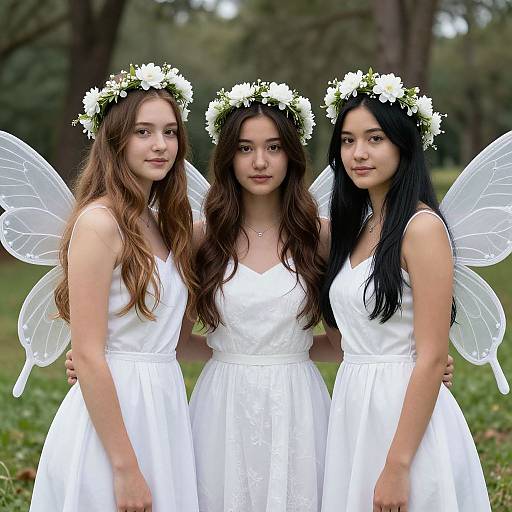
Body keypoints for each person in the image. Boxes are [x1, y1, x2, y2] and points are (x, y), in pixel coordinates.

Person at [30, 63, 199, 512]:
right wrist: (125, 467)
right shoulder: (99, 223)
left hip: (163, 405)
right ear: (116, 139)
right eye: (143, 131)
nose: (160, 145)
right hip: (114, 418)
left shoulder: (165, 226)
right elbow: (87, 352)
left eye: (169, 132)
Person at [320, 70, 490, 511]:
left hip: (405, 417)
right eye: (347, 140)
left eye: (374, 139)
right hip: (355, 407)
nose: (358, 153)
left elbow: (432, 356)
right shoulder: (355, 230)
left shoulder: (422, 229)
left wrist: (397, 465)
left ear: (403, 144)